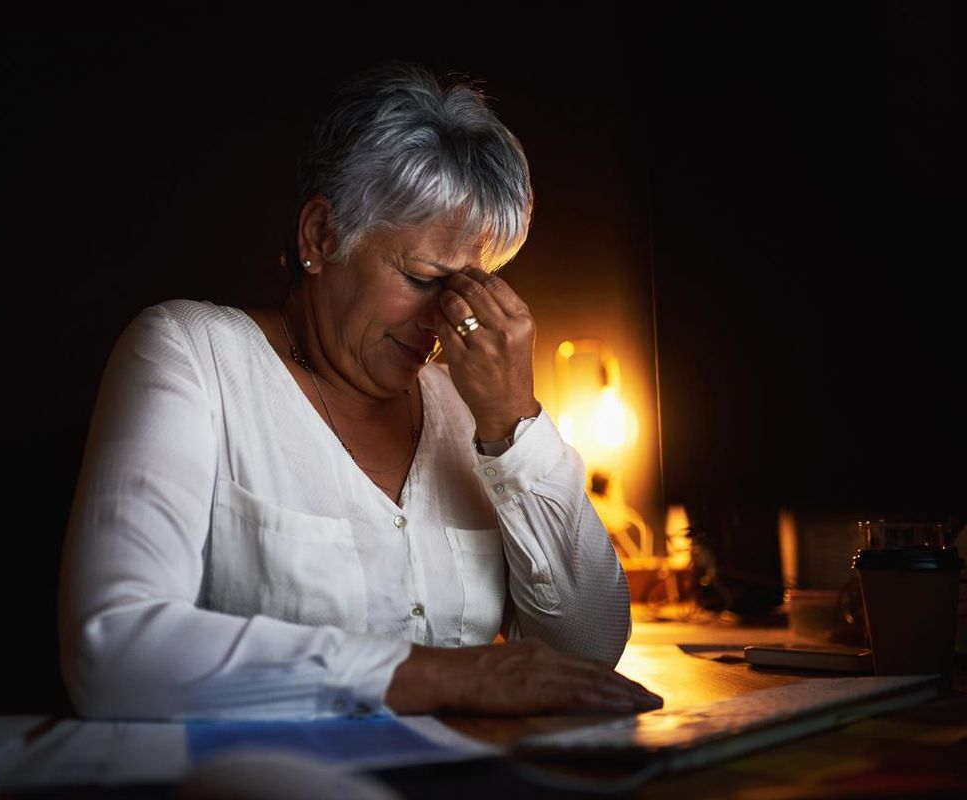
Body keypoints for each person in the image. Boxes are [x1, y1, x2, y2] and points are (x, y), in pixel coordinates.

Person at [58, 61, 663, 720]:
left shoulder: (469, 410)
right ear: (320, 236)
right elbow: (111, 650)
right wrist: (455, 676)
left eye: (472, 285)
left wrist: (513, 422)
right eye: (424, 277)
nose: (446, 320)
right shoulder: (191, 353)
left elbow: (590, 651)